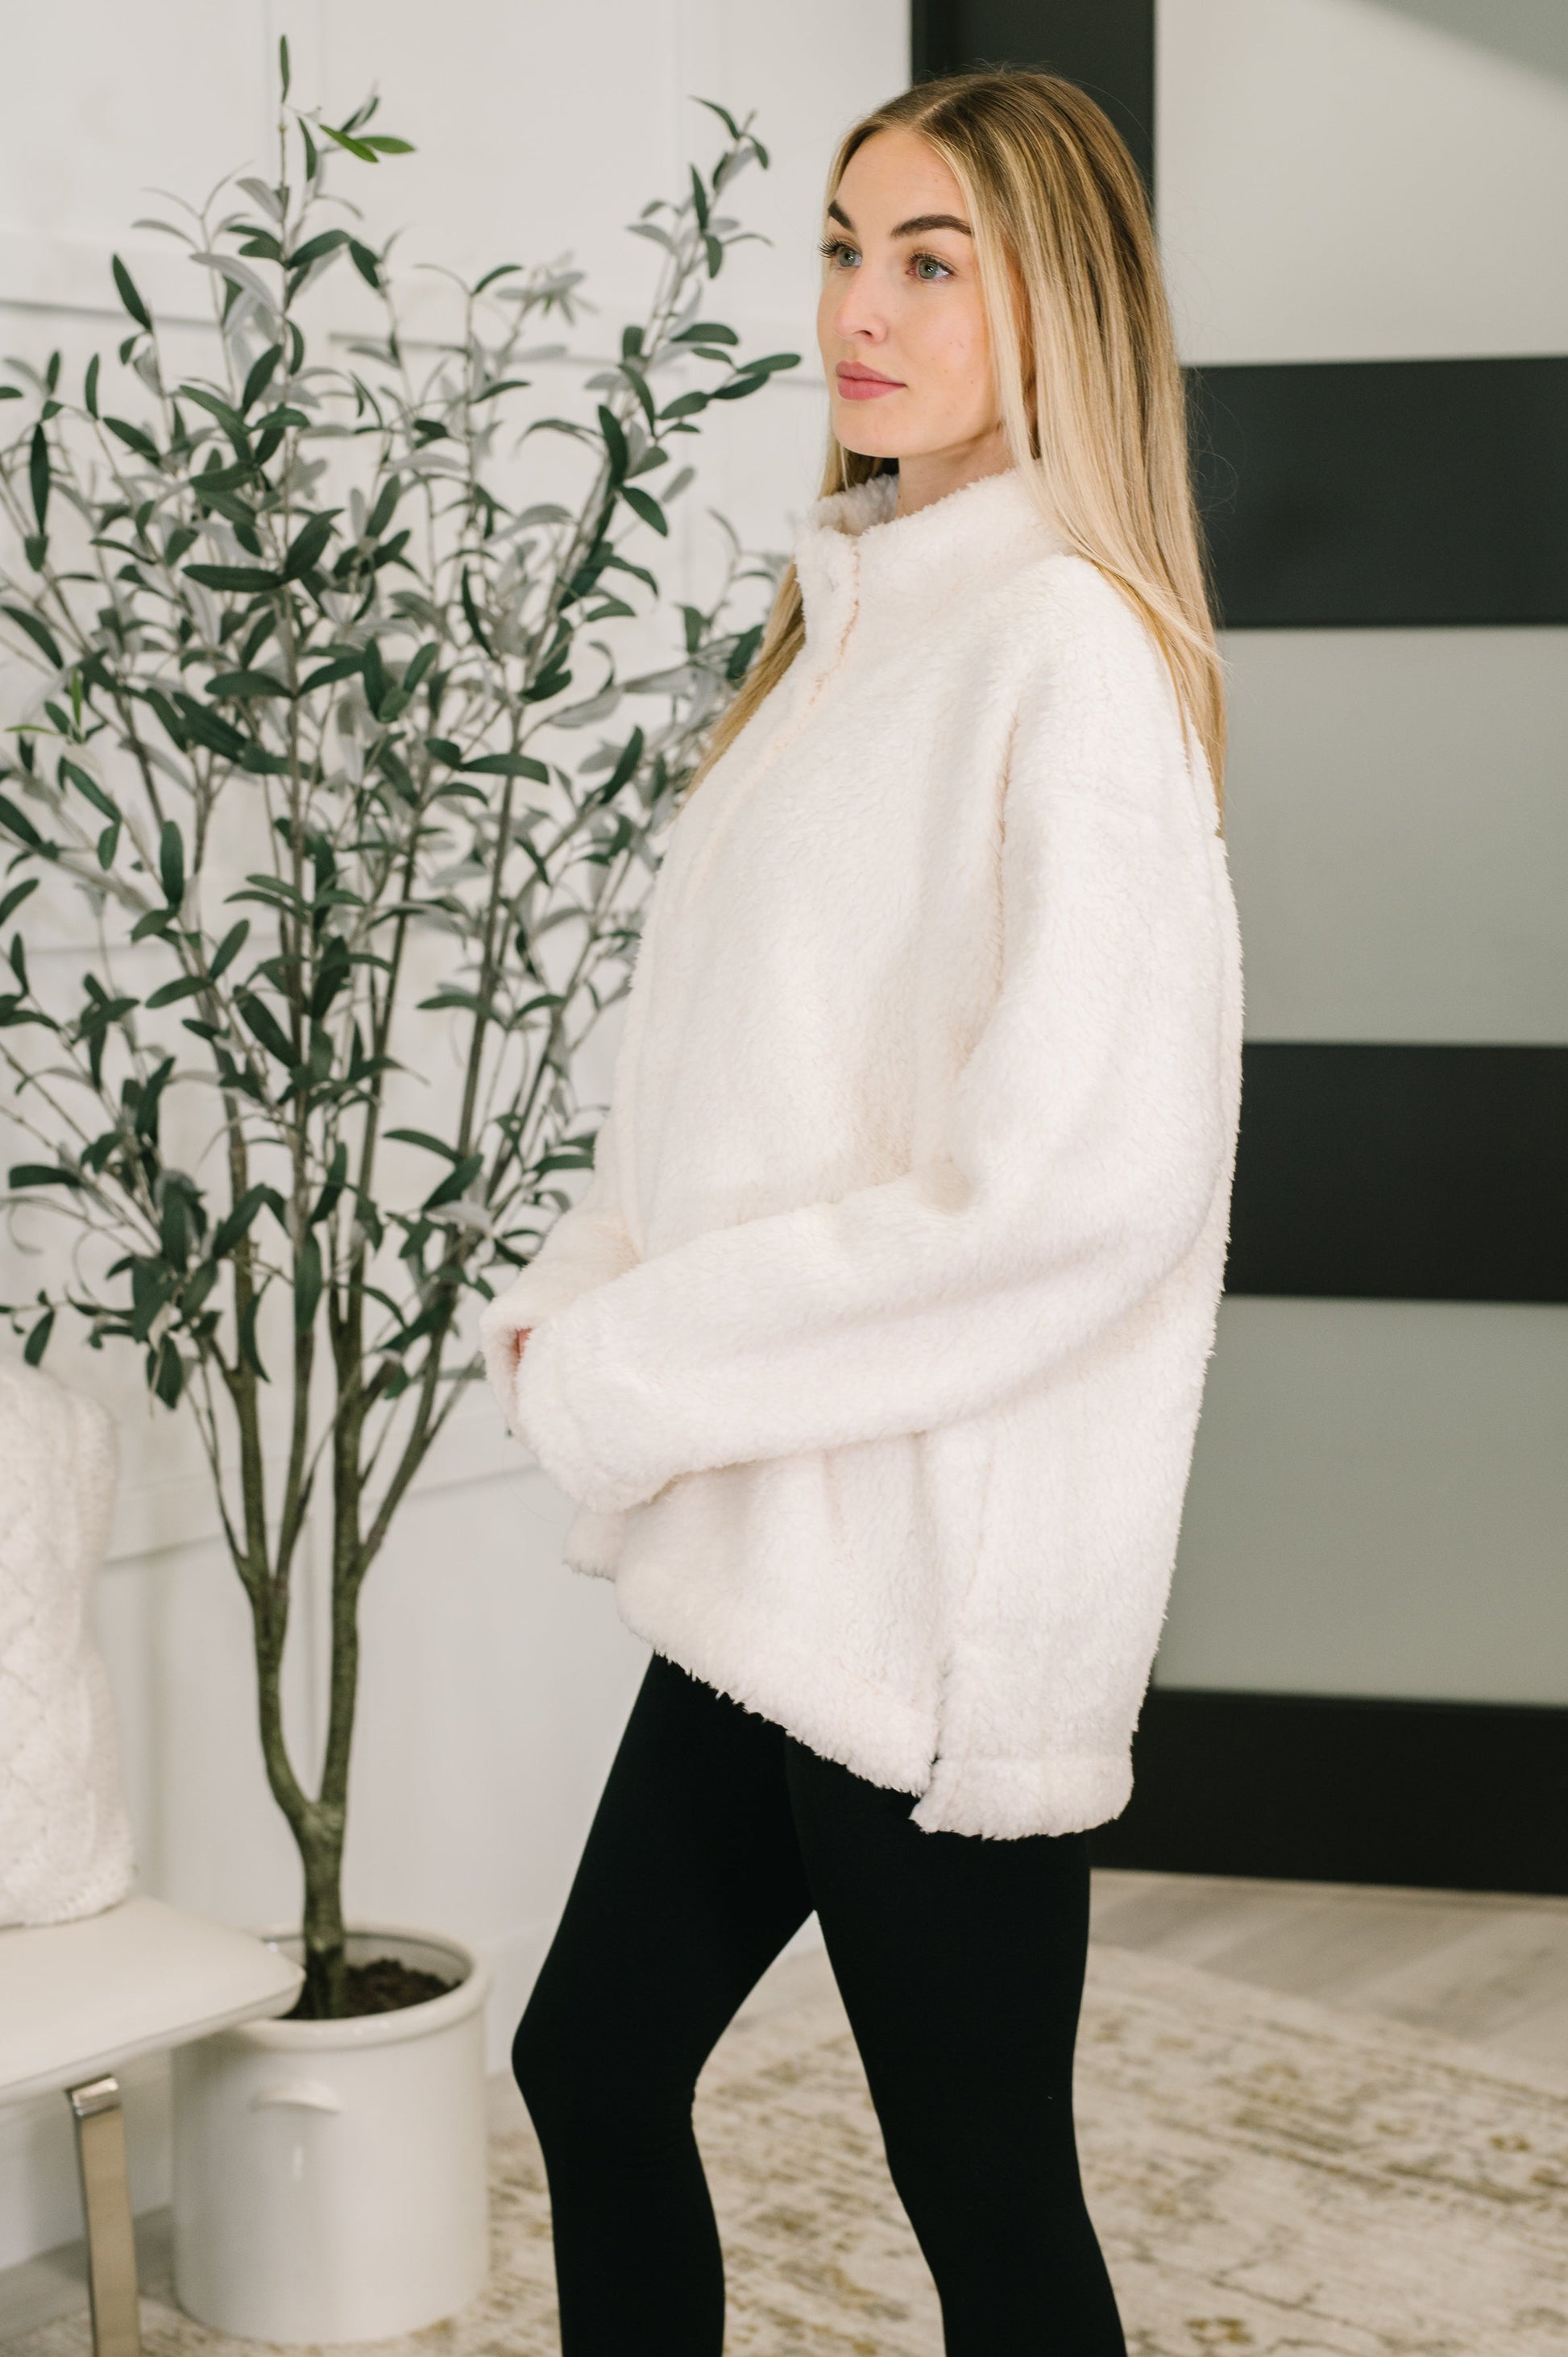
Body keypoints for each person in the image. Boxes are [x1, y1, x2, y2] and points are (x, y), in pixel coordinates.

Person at [479, 66, 1243, 2357]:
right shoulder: (848, 634)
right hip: (773, 1542)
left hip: (930, 1589)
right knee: (590, 2061)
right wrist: (596, 1298)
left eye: (932, 259)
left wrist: (636, 1363)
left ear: (1056, 305)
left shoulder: (1064, 655)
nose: (860, 307)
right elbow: (722, 1093)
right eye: (840, 244)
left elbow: (1070, 1195)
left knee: (981, 2190)